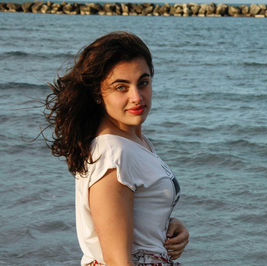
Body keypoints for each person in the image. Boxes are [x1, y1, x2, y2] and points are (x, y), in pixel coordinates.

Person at [45, 31, 188, 265]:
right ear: (98, 93)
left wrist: (167, 227)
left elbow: (136, 213)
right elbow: (116, 261)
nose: (137, 97)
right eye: (121, 87)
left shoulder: (134, 142)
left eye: (143, 82)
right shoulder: (113, 153)